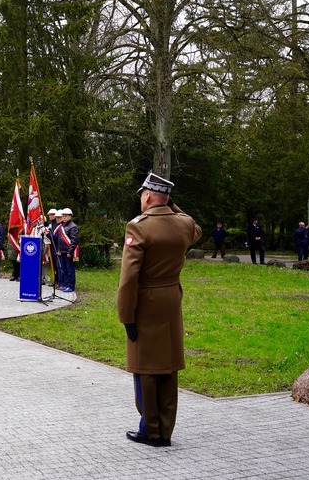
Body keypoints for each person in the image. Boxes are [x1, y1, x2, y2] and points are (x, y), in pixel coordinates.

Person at [117, 173, 201, 448]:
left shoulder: (138, 227)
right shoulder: (184, 225)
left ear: (149, 196)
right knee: (168, 365)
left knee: (145, 366)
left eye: (143, 194)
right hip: (171, 298)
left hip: (146, 301)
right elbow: (195, 229)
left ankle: (150, 430)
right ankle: (165, 429)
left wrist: (126, 315)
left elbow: (129, 278)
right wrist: (172, 207)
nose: (141, 198)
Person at [54, 208, 78, 293]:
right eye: (63, 216)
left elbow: (74, 241)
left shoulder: (73, 226)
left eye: (66, 216)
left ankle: (71, 286)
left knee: (70, 269)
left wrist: (70, 252)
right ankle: (66, 284)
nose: (64, 218)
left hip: (68, 252)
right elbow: (60, 239)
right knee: (64, 269)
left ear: (70, 216)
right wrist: (59, 250)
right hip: (62, 251)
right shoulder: (62, 226)